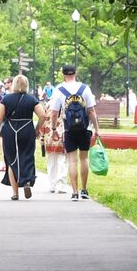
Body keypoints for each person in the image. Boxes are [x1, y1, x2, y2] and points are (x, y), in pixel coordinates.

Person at [0, 74, 45, 200]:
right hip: (27, 130)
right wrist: (37, 129)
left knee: (11, 160)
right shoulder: (32, 99)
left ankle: (15, 193)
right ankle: (26, 182)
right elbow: (43, 115)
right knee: (27, 156)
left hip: (10, 131)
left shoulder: (6, 99)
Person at [51, 64, 100, 200]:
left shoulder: (59, 90)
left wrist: (54, 129)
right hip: (85, 129)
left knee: (72, 161)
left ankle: (74, 192)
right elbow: (91, 111)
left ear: (63, 75)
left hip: (69, 129)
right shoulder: (85, 88)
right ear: (76, 73)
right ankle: (84, 190)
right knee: (83, 158)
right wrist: (97, 128)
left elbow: (54, 113)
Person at [43, 101, 69, 193]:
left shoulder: (49, 104)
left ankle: (52, 185)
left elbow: (44, 120)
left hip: (50, 134)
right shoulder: (66, 103)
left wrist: (42, 135)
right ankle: (61, 185)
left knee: (51, 161)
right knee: (62, 161)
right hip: (63, 134)